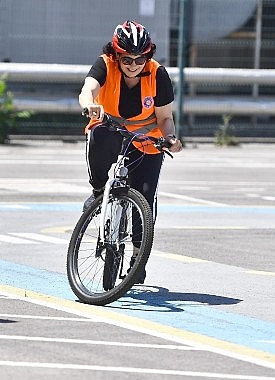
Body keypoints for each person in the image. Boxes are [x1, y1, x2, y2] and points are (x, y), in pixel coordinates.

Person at [78, 20, 183, 284]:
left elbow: (165, 117)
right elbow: (88, 88)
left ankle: (138, 258)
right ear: (116, 55)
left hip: (147, 138)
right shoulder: (105, 64)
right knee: (99, 134)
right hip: (112, 129)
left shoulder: (158, 74)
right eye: (126, 59)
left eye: (139, 58)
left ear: (147, 56)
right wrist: (90, 104)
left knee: (145, 199)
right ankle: (98, 191)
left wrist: (170, 137)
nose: (133, 64)